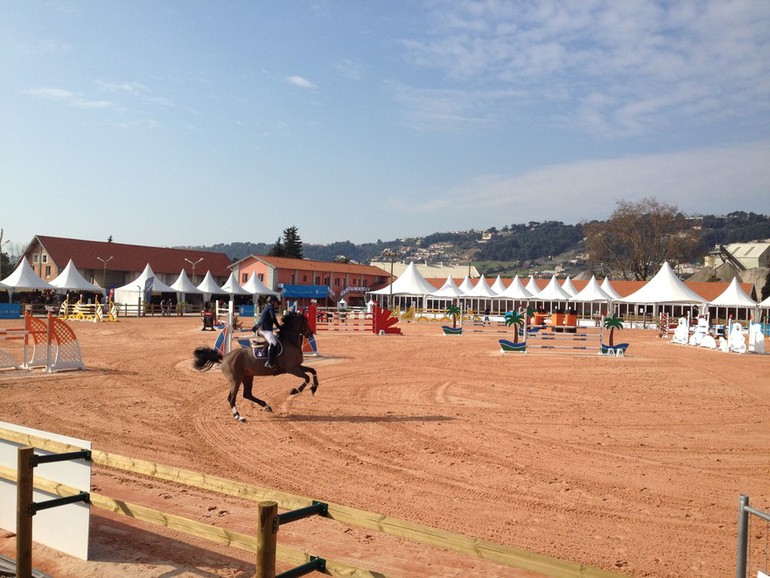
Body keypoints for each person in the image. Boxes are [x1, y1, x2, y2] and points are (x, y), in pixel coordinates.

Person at [253, 295, 282, 368]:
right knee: (273, 342)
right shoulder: (270, 308)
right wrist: (279, 327)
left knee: (275, 340)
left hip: (263, 329)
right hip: (265, 329)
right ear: (273, 302)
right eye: (276, 302)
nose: (276, 304)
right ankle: (269, 362)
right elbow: (273, 318)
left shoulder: (267, 307)